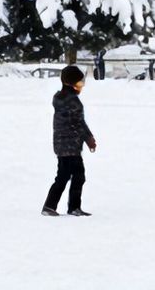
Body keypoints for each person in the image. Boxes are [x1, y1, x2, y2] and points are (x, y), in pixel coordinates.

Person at [43, 65, 97, 216]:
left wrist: (88, 137)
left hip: (63, 144)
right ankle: (57, 207)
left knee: (69, 176)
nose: (81, 86)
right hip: (70, 145)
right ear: (71, 83)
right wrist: (89, 138)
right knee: (72, 176)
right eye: (79, 83)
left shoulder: (61, 99)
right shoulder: (72, 101)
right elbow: (78, 123)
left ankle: (67, 207)